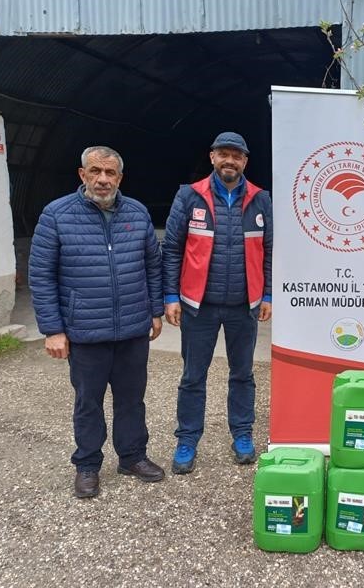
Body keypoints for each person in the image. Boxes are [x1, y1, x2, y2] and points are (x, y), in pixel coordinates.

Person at [29, 146, 165, 499]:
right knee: (88, 401)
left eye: (110, 173)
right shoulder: (56, 215)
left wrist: (154, 310)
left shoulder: (136, 212)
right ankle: (87, 465)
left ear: (120, 178)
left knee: (132, 399)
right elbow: (41, 275)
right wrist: (54, 329)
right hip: (85, 331)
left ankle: (132, 457)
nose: (102, 179)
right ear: (82, 175)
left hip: (133, 328)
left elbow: (153, 265)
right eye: (95, 171)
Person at [162, 131, 272, 472]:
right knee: (193, 376)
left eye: (236, 155)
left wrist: (266, 294)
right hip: (199, 306)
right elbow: (172, 249)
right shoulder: (189, 196)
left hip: (244, 306)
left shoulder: (260, 199)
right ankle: (187, 440)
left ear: (245, 162)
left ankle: (242, 433)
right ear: (212, 157)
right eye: (224, 153)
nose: (230, 160)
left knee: (242, 374)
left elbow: (269, 250)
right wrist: (170, 297)